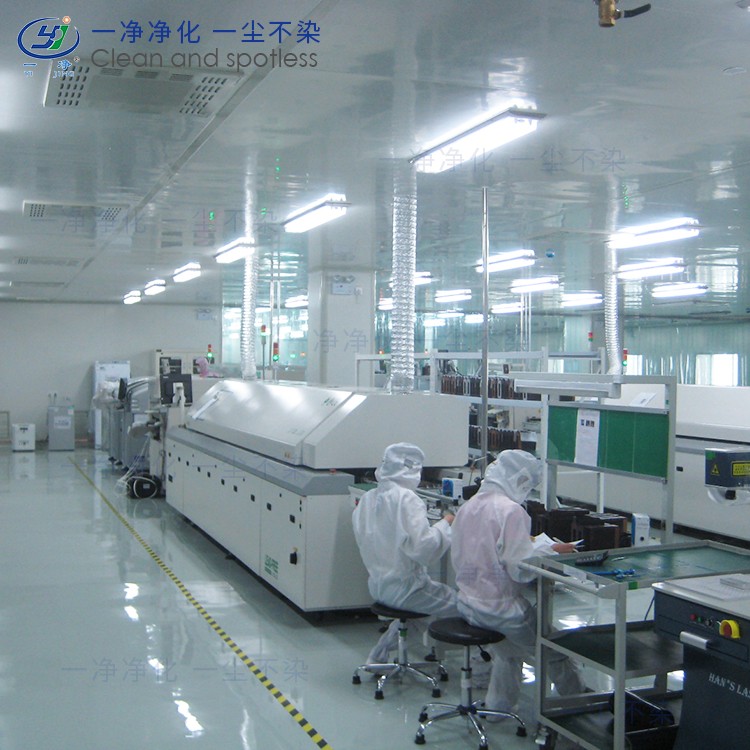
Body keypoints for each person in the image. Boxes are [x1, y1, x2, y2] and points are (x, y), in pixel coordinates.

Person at [451, 449, 585, 716]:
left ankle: (498, 707)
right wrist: (548, 553)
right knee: (556, 651)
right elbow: (519, 570)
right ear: (520, 479)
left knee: (508, 652)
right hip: (503, 612)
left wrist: (535, 549)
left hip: (468, 604)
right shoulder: (511, 511)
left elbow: (483, 555)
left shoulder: (468, 507)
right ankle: (580, 707)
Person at [352, 442, 460, 663]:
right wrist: (447, 522)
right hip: (409, 590)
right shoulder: (407, 498)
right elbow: (424, 549)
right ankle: (479, 671)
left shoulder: (368, 498)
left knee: (417, 617)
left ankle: (377, 659)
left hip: (379, 587)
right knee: (467, 609)